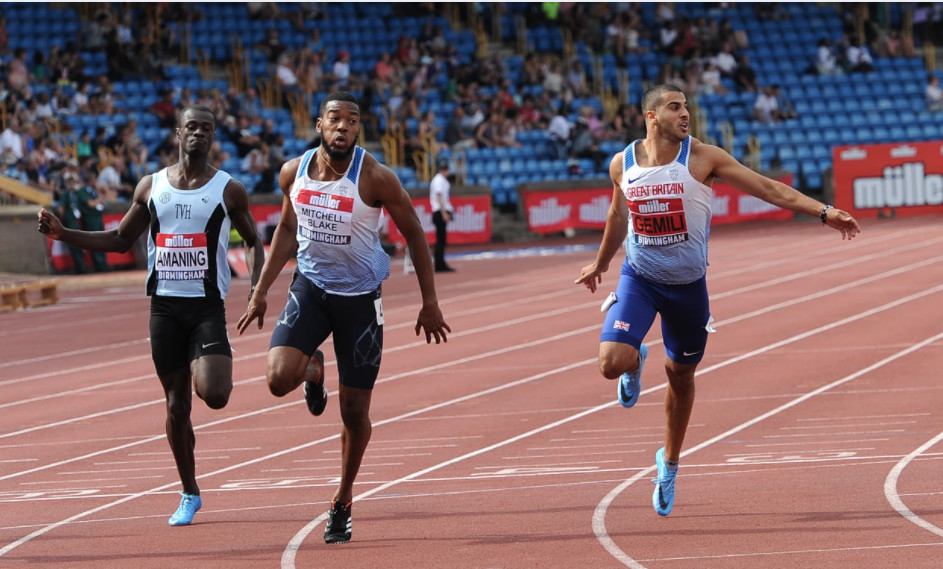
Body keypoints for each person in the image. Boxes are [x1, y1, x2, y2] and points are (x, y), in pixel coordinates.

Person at [574, 84, 860, 518]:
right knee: (610, 362)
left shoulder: (703, 158)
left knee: (680, 375)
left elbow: (767, 188)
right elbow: (618, 214)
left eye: (686, 106)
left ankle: (669, 463)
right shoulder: (622, 164)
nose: (684, 114)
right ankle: (633, 360)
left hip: (687, 287)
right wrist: (600, 263)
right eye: (674, 107)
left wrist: (824, 212)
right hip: (640, 278)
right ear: (651, 116)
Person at [235, 91, 451, 544]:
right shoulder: (293, 172)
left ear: (358, 128)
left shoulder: (375, 177)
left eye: (352, 121)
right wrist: (260, 290)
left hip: (360, 302)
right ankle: (313, 369)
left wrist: (429, 302)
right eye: (335, 119)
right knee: (277, 379)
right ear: (319, 124)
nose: (343, 128)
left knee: (354, 412)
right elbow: (288, 229)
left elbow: (414, 232)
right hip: (311, 289)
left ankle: (343, 499)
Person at [38, 105, 265, 526]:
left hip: (206, 307)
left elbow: (252, 241)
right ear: (178, 133)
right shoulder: (152, 186)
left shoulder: (229, 189)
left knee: (215, 394)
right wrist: (63, 234)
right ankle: (189, 492)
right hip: (163, 308)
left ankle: (204, 365)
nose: (198, 133)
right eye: (191, 126)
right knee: (176, 405)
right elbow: (120, 239)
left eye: (207, 128)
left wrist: (257, 288)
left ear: (214, 136)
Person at [430, 157, 454, 272]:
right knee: (441, 240)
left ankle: (440, 263)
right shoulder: (439, 180)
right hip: (439, 211)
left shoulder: (442, 180)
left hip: (440, 211)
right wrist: (444, 213)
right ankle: (439, 264)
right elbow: (439, 196)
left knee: (442, 240)